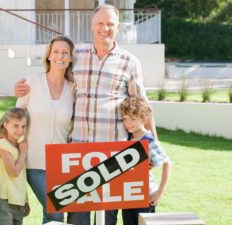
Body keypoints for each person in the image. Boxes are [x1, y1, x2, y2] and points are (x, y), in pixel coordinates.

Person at [14, 4, 158, 225]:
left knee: (107, 219)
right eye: (100, 23)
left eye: (110, 24)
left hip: (113, 156)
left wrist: (153, 148)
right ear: (92, 26)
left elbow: (144, 110)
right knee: (77, 219)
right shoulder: (77, 56)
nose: (105, 29)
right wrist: (22, 88)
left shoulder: (130, 62)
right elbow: (53, 76)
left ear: (118, 27)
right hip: (77, 155)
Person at [0, 35, 75, 224]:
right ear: (48, 56)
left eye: (65, 53)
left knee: (51, 214)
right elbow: (14, 118)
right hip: (34, 162)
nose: (60, 56)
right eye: (55, 52)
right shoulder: (31, 83)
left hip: (62, 164)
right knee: (55, 211)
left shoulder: (73, 89)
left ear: (70, 58)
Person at [115, 96, 171, 225]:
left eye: (133, 119)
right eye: (125, 119)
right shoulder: (127, 139)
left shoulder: (148, 140)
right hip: (129, 197)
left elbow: (167, 164)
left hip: (146, 196)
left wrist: (159, 193)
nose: (128, 123)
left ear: (144, 118)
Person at [0, 107, 31, 225]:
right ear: (5, 124)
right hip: (3, 201)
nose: (20, 130)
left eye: (23, 126)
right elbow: (14, 172)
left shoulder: (18, 146)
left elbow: (21, 178)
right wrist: (23, 153)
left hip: (18, 202)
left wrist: (25, 201)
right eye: (16, 126)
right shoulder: (2, 145)